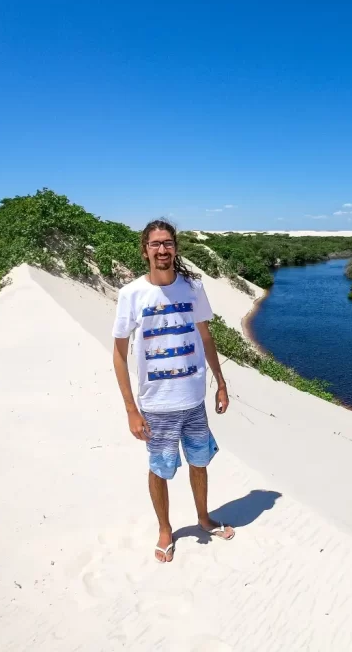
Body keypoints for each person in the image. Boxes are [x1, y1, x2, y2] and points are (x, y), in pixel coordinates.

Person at [112, 219, 235, 562]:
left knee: (200, 462)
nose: (162, 250)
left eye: (168, 243)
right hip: (157, 404)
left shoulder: (193, 287)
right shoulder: (132, 294)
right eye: (155, 244)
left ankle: (203, 518)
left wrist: (221, 384)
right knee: (160, 468)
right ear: (145, 250)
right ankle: (165, 529)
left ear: (175, 248)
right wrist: (130, 409)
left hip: (193, 399)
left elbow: (206, 337)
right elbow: (119, 354)